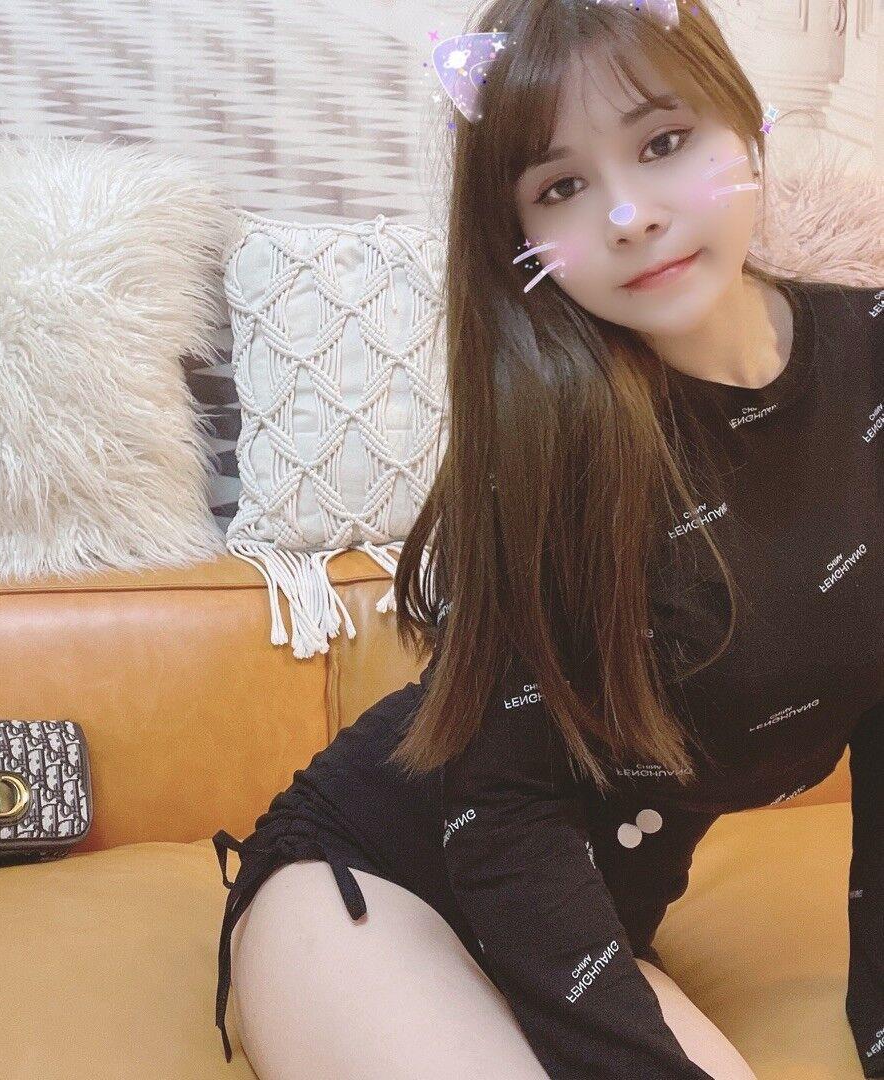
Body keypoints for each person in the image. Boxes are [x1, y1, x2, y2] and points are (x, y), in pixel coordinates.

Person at [211, 0, 884, 1076]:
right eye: (560, 187)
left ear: (745, 123)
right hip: (381, 874)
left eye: (662, 142)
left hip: (585, 922)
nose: (627, 215)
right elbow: (502, 808)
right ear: (519, 239)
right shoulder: (552, 441)